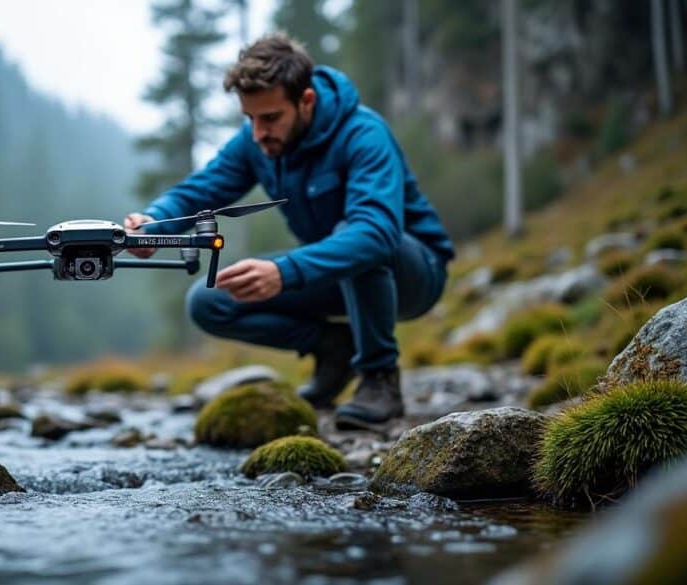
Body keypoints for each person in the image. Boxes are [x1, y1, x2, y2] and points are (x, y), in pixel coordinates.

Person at [124, 33, 454, 430]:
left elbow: (376, 234)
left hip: (414, 272)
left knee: (357, 235)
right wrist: (154, 223)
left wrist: (284, 273)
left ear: (306, 101)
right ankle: (333, 349)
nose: (258, 132)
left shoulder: (364, 134)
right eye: (249, 119)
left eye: (270, 118)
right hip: (331, 272)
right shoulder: (257, 141)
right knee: (209, 301)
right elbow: (201, 191)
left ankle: (379, 378)